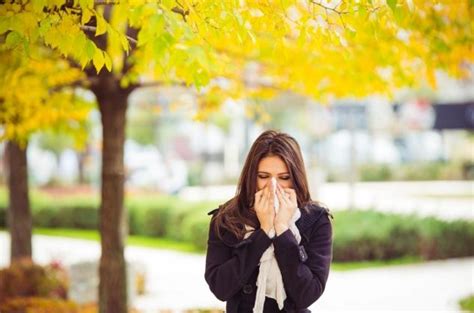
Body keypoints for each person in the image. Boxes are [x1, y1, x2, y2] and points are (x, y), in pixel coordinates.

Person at [205, 130, 333, 313]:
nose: (273, 186)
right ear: (252, 177)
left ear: (295, 178)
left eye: (284, 177)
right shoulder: (227, 218)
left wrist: (282, 230)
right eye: (263, 176)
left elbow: (307, 294)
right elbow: (220, 288)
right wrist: (263, 233)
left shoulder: (315, 220)